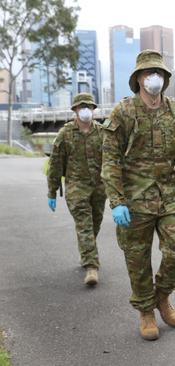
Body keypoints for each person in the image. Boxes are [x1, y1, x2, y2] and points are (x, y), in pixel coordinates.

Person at [101, 50, 175, 341]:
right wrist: (117, 200)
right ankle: (146, 310)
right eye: (149, 73)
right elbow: (109, 159)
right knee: (137, 258)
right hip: (133, 198)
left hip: (167, 195)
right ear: (138, 79)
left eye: (159, 73)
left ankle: (162, 296)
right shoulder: (123, 112)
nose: (155, 78)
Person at [47, 92, 106, 286]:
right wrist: (52, 191)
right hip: (76, 187)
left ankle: (87, 252)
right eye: (82, 107)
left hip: (99, 187)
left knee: (94, 224)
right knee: (85, 224)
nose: (85, 110)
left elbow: (113, 161)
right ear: (75, 110)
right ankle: (91, 267)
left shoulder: (103, 133)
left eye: (89, 107)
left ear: (93, 110)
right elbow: (55, 163)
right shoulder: (65, 134)